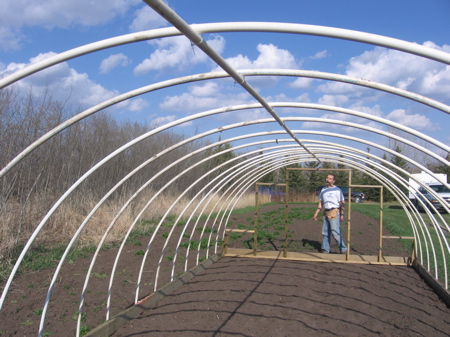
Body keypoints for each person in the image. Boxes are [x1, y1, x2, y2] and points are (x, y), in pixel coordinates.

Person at [313, 174, 347, 254]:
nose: (328, 179)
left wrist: (342, 214)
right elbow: (321, 202)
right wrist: (316, 213)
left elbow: (342, 203)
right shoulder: (323, 189)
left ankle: (343, 248)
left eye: (330, 179)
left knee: (335, 232)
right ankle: (325, 249)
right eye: (327, 178)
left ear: (333, 181)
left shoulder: (337, 190)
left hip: (334, 212)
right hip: (326, 212)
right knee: (325, 232)